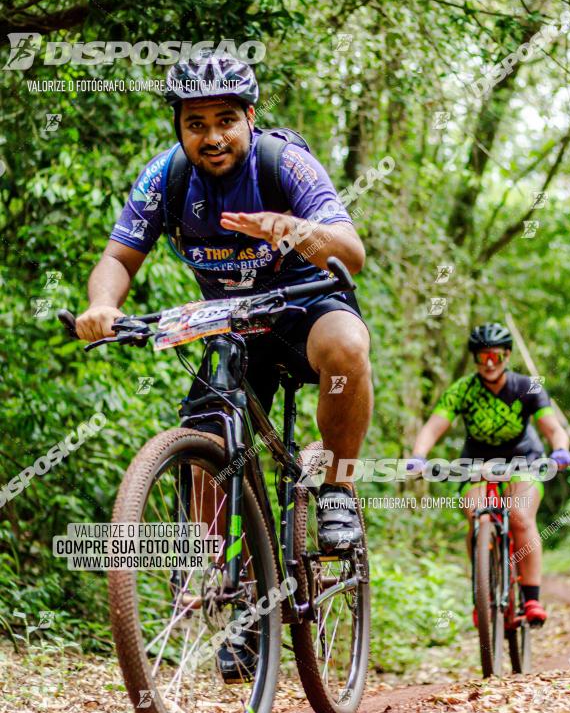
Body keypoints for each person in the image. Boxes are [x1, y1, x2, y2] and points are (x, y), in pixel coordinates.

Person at [76, 51, 372, 548]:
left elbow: (351, 253)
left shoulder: (285, 164)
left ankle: (338, 485)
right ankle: (227, 577)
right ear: (178, 126)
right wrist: (102, 306)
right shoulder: (165, 179)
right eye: (196, 124)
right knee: (206, 449)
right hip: (231, 327)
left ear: (250, 118)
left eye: (226, 121)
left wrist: (296, 229)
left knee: (347, 346)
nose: (212, 137)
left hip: (305, 308)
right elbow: (119, 259)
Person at [407, 323, 570, 626]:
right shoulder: (463, 389)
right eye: (483, 356)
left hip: (526, 459)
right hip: (477, 462)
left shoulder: (527, 386)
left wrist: (560, 450)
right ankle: (483, 594)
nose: (489, 363)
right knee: (476, 519)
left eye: (495, 356)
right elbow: (434, 426)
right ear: (474, 358)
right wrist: (418, 456)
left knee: (521, 517)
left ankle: (532, 597)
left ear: (507, 355)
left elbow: (551, 427)